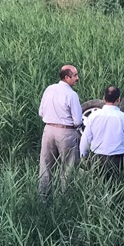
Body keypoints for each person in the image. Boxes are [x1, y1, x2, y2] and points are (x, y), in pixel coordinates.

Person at [80, 86, 124, 180]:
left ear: (104, 98)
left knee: (98, 188)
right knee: (115, 187)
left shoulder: (93, 116)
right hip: (116, 161)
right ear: (118, 100)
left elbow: (86, 138)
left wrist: (83, 156)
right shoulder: (123, 117)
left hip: (97, 159)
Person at [38, 64, 83, 203]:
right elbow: (77, 120)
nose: (77, 78)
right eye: (75, 75)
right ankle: (64, 199)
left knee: (45, 165)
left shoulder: (49, 89)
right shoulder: (71, 95)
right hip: (66, 132)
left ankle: (43, 198)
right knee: (68, 167)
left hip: (49, 130)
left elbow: (41, 112)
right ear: (67, 77)